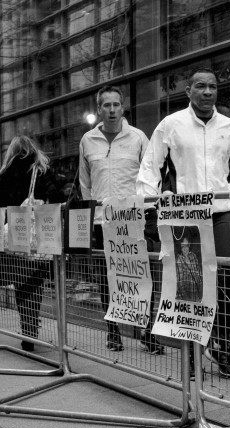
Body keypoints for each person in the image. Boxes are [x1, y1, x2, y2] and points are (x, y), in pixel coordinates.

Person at [137, 67, 230, 378]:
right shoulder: (170, 125)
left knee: (227, 283)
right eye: (201, 86)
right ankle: (191, 353)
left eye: (213, 86)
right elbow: (149, 168)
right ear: (188, 91)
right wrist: (154, 198)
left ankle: (221, 347)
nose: (208, 92)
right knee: (189, 286)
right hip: (187, 213)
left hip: (223, 212)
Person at [78, 85, 150, 352]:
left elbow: (149, 177)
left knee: (140, 275)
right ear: (99, 109)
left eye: (116, 105)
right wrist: (97, 209)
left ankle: (147, 331)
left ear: (123, 107)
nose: (111, 110)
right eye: (106, 105)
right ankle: (113, 330)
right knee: (108, 277)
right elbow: (85, 183)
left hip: (132, 219)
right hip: (102, 221)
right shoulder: (87, 140)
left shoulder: (139, 138)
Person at [0, 135, 64, 352]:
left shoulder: (3, 174)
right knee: (34, 284)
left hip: (13, 233)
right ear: (33, 149)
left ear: (11, 152)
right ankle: (30, 329)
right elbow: (55, 196)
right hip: (36, 235)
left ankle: (27, 328)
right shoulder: (40, 171)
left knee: (20, 284)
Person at [175, 234, 203, 301]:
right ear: (180, 247)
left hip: (196, 296)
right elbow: (180, 283)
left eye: (186, 246)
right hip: (185, 298)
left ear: (189, 245)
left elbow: (199, 276)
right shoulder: (179, 259)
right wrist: (188, 302)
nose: (185, 249)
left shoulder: (193, 256)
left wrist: (201, 297)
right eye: (182, 247)